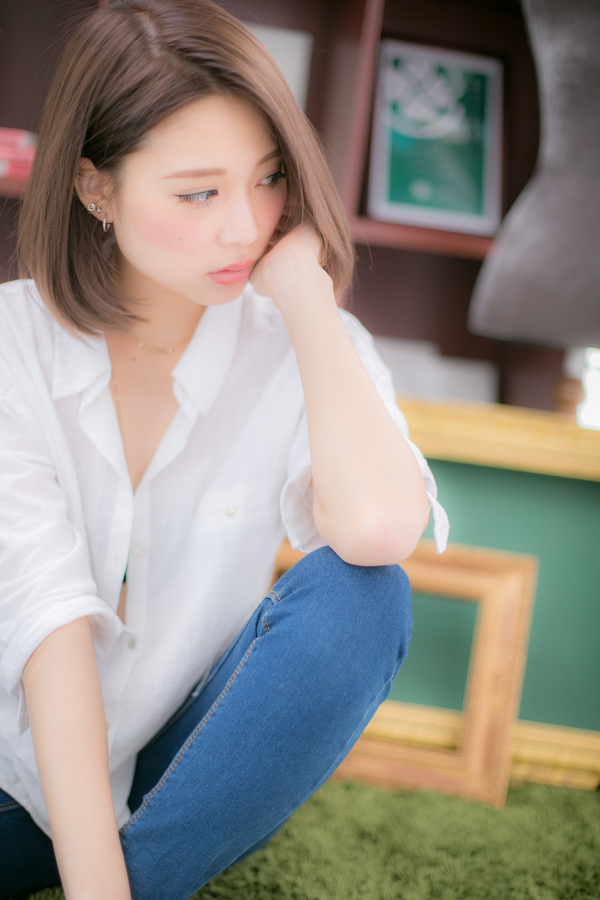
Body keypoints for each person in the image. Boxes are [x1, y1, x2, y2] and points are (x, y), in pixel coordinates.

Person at [0, 2, 448, 898]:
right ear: (95, 189)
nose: (246, 226)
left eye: (270, 178)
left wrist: (306, 296)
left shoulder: (303, 342)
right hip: (15, 784)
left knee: (364, 599)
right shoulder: (12, 346)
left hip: (170, 778)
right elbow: (47, 628)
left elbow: (378, 528)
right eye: (197, 194)